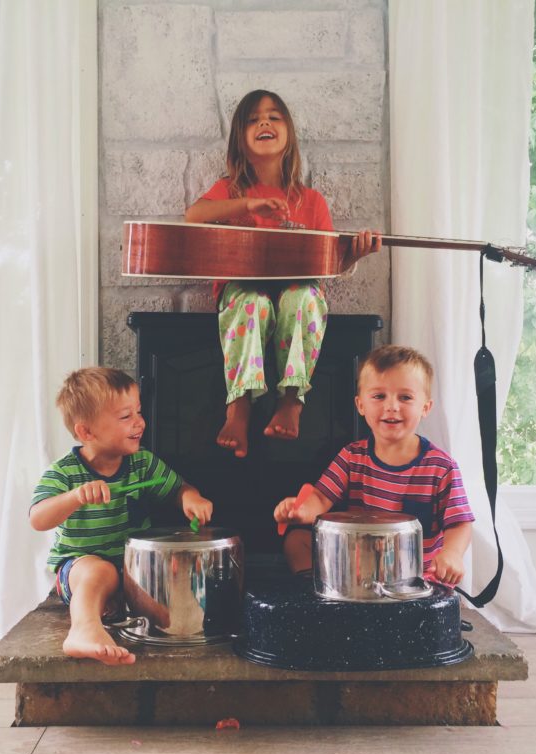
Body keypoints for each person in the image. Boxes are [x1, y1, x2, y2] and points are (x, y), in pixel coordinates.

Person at [185, 89, 381, 458]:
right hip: (242, 291)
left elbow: (326, 267)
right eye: (254, 119)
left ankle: (292, 398)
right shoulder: (229, 190)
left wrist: (353, 257)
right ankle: (239, 404)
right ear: (239, 139)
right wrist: (248, 203)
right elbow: (193, 217)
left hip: (297, 289)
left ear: (288, 133)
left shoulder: (311, 201)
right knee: (250, 302)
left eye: (274, 117)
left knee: (303, 298)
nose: (265, 123)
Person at [29, 366, 213, 665]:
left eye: (138, 412)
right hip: (79, 570)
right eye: (125, 417)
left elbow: (178, 488)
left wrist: (191, 499)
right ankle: (83, 629)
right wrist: (75, 497)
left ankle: (118, 611)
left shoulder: (142, 463)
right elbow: (38, 518)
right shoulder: (64, 472)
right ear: (86, 432)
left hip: (132, 571)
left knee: (172, 576)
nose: (139, 423)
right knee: (99, 572)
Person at [273, 345, 474, 585]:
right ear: (360, 406)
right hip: (356, 570)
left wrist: (452, 553)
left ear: (425, 407)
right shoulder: (352, 456)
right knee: (297, 541)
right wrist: (302, 511)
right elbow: (321, 496)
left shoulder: (441, 467)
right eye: (379, 396)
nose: (391, 406)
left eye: (405, 397)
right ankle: (319, 596)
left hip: (414, 575)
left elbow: (460, 523)